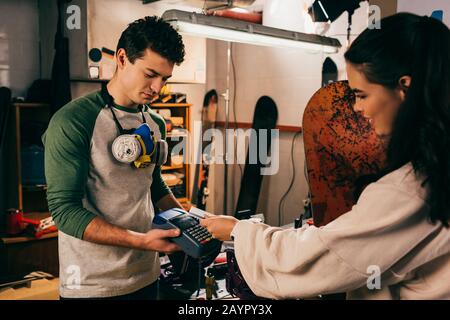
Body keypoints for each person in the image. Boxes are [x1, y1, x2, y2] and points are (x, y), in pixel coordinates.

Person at [200, 13, 450, 299]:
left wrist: (238, 231)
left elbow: (320, 257)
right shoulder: (435, 168)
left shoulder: (409, 189)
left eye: (362, 94)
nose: (357, 108)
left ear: (404, 87)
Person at [43, 16, 185, 299]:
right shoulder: (74, 121)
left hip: (146, 275)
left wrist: (189, 222)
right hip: (92, 284)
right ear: (122, 58)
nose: (158, 88)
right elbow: (64, 211)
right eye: (149, 74)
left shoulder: (155, 122)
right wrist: (142, 240)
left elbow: (153, 184)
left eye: (165, 79)